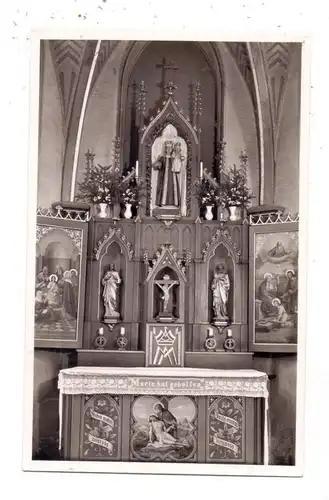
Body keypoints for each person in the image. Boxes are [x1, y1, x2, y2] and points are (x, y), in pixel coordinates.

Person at [153, 140, 181, 207]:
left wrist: (177, 159)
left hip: (172, 177)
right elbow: (155, 166)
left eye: (170, 148)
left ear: (172, 149)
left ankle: (173, 203)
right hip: (163, 177)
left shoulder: (174, 158)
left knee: (172, 189)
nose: (169, 149)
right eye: (167, 148)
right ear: (165, 149)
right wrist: (157, 162)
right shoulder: (162, 158)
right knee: (163, 188)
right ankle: (162, 203)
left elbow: (178, 169)